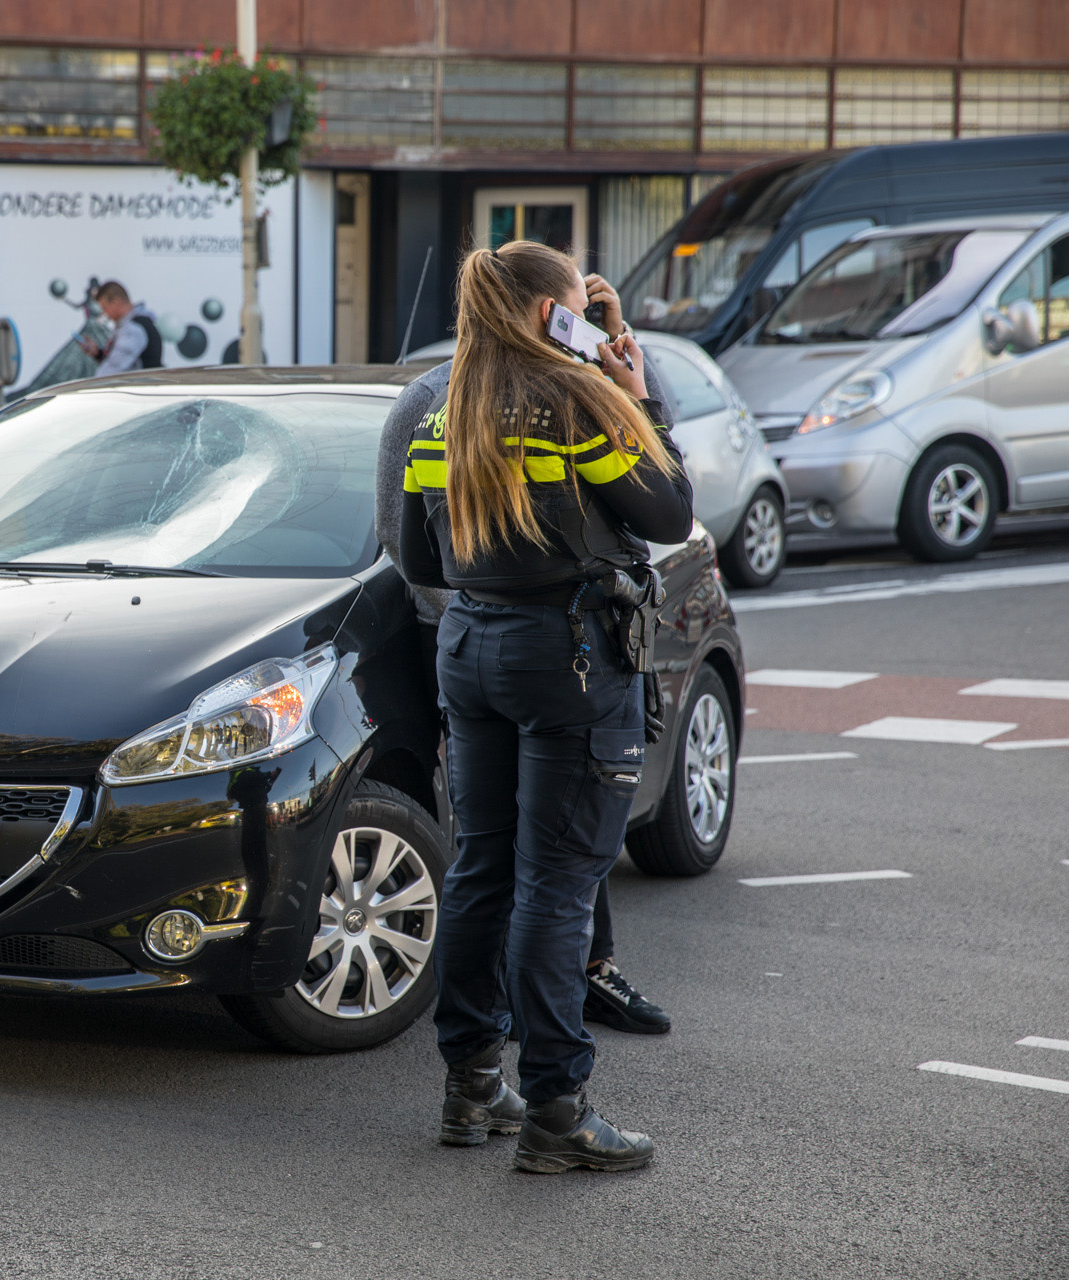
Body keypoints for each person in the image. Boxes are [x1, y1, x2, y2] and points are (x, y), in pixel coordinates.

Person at [395, 241, 692, 1174]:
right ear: (549, 315)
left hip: (470, 648)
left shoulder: (443, 409)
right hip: (568, 657)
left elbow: (417, 557)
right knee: (558, 886)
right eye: (576, 306)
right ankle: (559, 1112)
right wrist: (632, 387)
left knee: (481, 867)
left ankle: (472, 1086)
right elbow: (671, 512)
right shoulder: (576, 400)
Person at [89, 281, 162, 375]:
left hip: (141, 387)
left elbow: (113, 368)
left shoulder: (133, 329)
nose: (104, 313)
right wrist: (98, 354)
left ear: (115, 302)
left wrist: (94, 386)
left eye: (104, 308)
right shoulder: (136, 324)